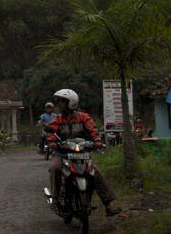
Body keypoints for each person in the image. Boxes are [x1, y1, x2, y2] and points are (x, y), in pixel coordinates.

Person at [45, 88, 121, 217]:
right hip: (63, 154)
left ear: (71, 103)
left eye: (63, 101)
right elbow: (50, 133)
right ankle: (56, 200)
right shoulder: (57, 119)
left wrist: (97, 141)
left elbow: (93, 131)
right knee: (54, 168)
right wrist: (51, 142)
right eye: (60, 101)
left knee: (94, 172)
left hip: (82, 154)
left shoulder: (83, 117)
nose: (60, 104)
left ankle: (108, 204)